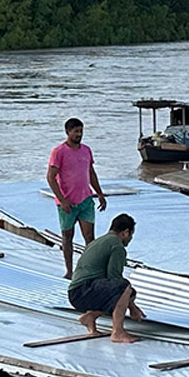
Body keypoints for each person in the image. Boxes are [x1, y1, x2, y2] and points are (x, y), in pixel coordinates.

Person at [67, 213, 144, 343]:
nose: (130, 239)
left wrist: (131, 304)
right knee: (124, 287)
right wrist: (133, 307)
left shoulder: (99, 241)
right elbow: (116, 279)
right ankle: (117, 332)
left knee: (126, 292)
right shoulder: (117, 246)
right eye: (131, 235)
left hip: (76, 293)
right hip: (84, 291)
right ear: (126, 232)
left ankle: (90, 317)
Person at [46, 117, 107, 277]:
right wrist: (62, 199)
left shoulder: (86, 150)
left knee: (89, 237)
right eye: (76, 132)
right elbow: (51, 177)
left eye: (81, 131)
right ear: (68, 132)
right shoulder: (59, 152)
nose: (79, 134)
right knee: (67, 236)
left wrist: (99, 193)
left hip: (85, 199)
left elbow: (91, 172)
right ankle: (69, 270)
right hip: (67, 202)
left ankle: (89, 269)